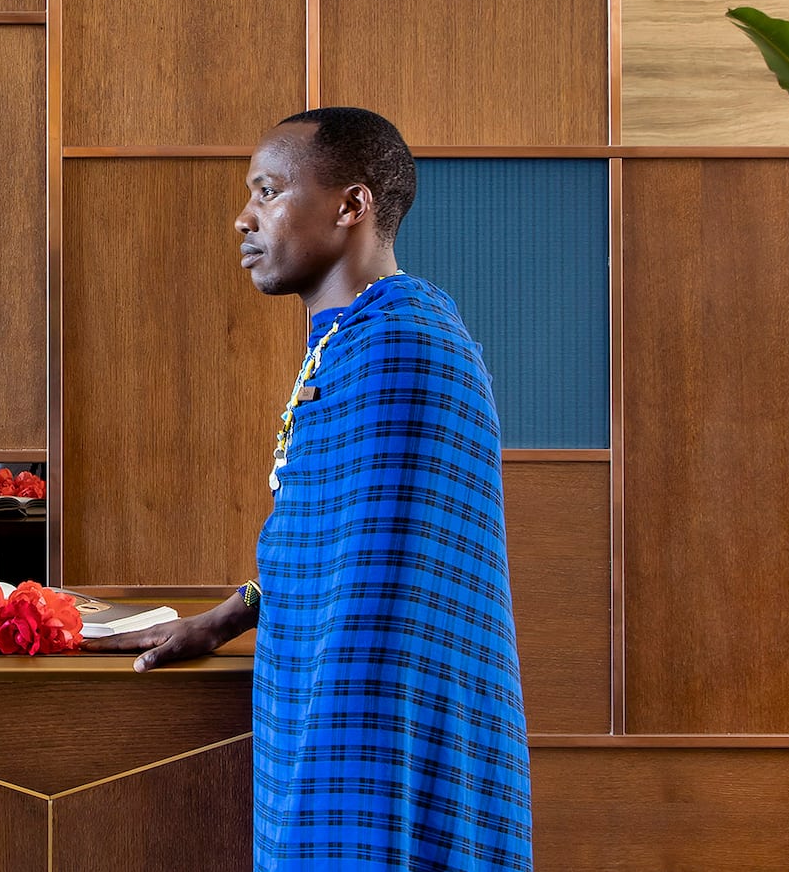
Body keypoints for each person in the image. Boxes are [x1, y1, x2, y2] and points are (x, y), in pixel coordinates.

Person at [84, 107, 533, 871]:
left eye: (267, 191)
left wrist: (330, 738)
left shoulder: (402, 343)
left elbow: (386, 579)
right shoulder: (353, 340)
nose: (243, 217)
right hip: (322, 700)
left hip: (367, 720)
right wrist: (229, 616)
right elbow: (325, 544)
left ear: (351, 206)